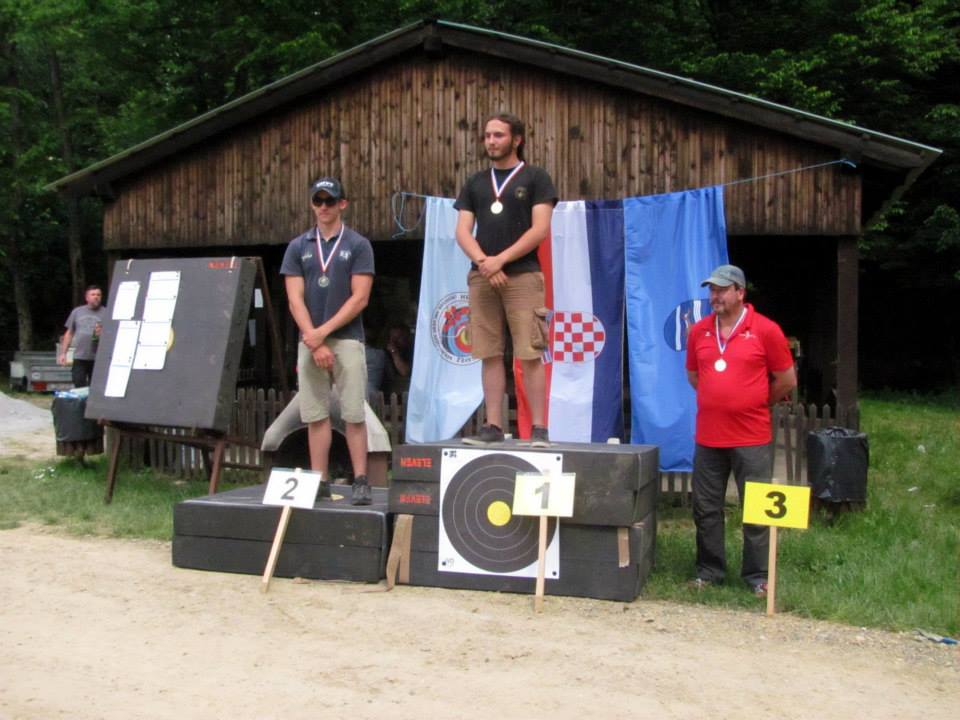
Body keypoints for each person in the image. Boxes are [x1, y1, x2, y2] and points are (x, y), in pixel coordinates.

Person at [685, 264, 797, 597]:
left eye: (722, 289)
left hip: (751, 435)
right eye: (712, 290)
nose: (715, 296)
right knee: (706, 507)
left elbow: (787, 380)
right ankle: (709, 572)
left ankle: (758, 576)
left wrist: (757, 401)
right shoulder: (699, 332)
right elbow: (694, 376)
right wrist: (720, 398)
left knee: (757, 507)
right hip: (709, 435)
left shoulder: (766, 330)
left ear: (740, 292)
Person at [454, 112, 557, 447]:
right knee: (489, 352)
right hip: (483, 276)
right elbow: (462, 231)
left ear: (517, 139)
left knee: (529, 352)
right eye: (487, 135)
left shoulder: (536, 177)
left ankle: (539, 428)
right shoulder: (475, 182)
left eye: (498, 135)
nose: (491, 141)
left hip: (523, 274)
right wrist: (485, 262)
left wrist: (501, 260)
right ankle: (493, 426)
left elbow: (539, 229)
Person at [280, 177, 375, 505]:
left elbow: (359, 298)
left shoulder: (358, 244)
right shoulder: (298, 246)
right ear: (311, 204)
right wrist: (315, 340)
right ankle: (319, 481)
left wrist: (323, 333)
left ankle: (361, 480)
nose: (323, 207)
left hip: (346, 339)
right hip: (310, 341)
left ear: (342, 204)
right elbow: (294, 299)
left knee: (354, 413)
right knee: (315, 414)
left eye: (330, 201)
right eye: (318, 201)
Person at [59, 285, 106, 388]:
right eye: (93, 294)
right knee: (79, 385)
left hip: (98, 358)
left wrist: (103, 334)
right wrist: (63, 353)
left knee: (96, 388)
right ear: (87, 298)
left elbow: (112, 335)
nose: (96, 297)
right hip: (80, 356)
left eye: (98, 295)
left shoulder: (107, 313)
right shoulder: (77, 312)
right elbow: (69, 333)